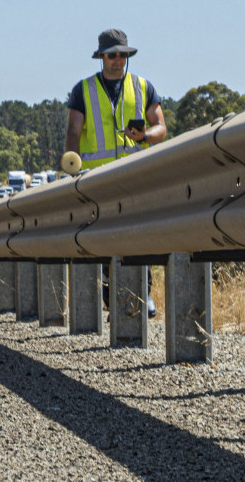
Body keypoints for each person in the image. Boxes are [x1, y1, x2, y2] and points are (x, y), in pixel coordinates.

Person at [65, 28, 166, 316]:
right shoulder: (82, 90)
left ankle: (142, 294)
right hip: (98, 179)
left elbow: (161, 127)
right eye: (112, 55)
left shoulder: (143, 87)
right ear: (101, 57)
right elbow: (73, 131)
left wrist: (145, 135)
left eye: (123, 54)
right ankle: (111, 293)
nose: (118, 60)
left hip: (135, 176)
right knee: (106, 237)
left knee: (138, 236)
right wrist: (73, 165)